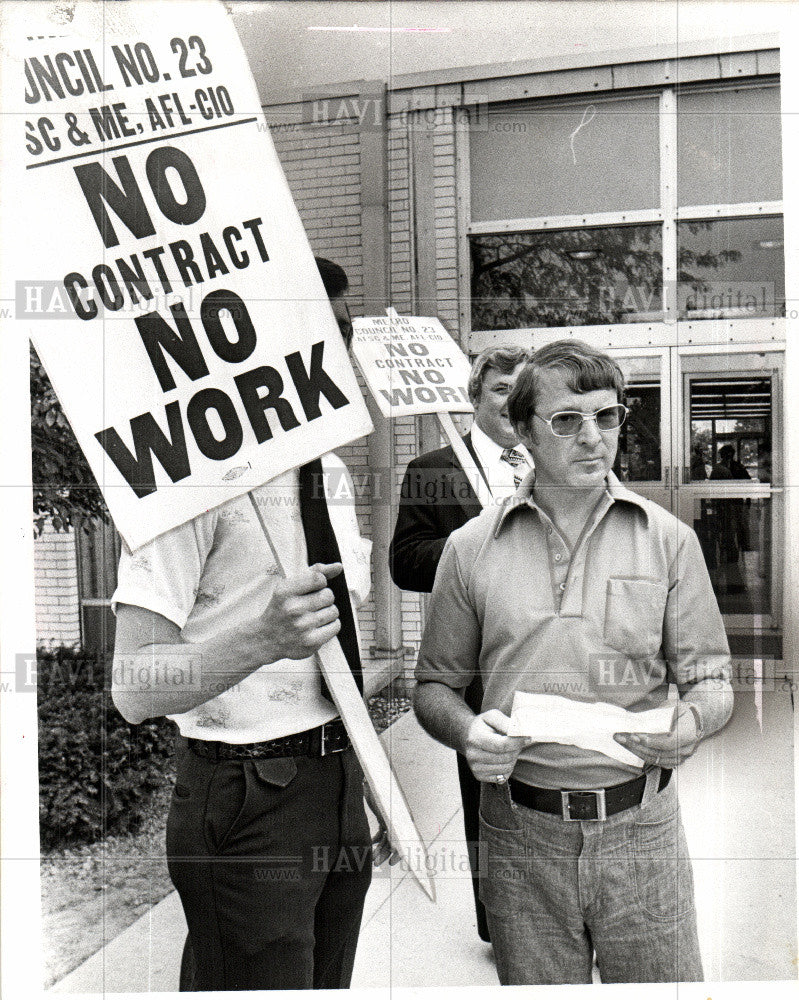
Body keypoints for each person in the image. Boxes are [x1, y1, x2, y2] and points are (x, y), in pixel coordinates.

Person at [413, 339, 733, 985]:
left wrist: (692, 721)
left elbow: (710, 677)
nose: (592, 437)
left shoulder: (668, 540)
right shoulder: (469, 547)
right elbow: (434, 686)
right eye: (566, 420)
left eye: (606, 416)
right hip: (518, 835)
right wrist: (467, 731)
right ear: (523, 429)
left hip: (642, 833)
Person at [111, 258, 387, 992]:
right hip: (244, 790)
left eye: (343, 330)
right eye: (310, 329)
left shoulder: (327, 470)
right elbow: (133, 685)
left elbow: (328, 662)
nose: (333, 350)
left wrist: (367, 783)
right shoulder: (189, 479)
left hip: (334, 777)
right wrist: (258, 638)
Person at [389, 344, 529, 942]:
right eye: (500, 390)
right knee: (487, 794)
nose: (511, 401)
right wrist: (472, 545)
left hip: (547, 658)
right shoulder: (433, 470)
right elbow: (404, 561)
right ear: (474, 398)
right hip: (474, 665)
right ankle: (500, 924)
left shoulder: (547, 459)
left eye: (521, 390)